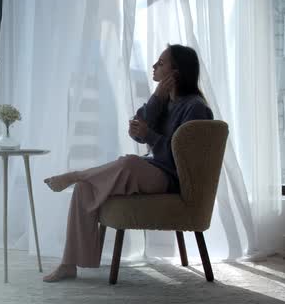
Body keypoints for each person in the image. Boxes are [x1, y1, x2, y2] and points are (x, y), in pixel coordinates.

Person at [42, 44, 214, 282]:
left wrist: (150, 136)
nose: (154, 66)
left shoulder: (194, 107)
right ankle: (69, 264)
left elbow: (185, 161)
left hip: (171, 178)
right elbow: (136, 130)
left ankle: (76, 174)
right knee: (85, 188)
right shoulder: (163, 101)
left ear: (176, 72)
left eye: (161, 63)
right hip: (153, 169)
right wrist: (156, 98)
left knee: (129, 163)